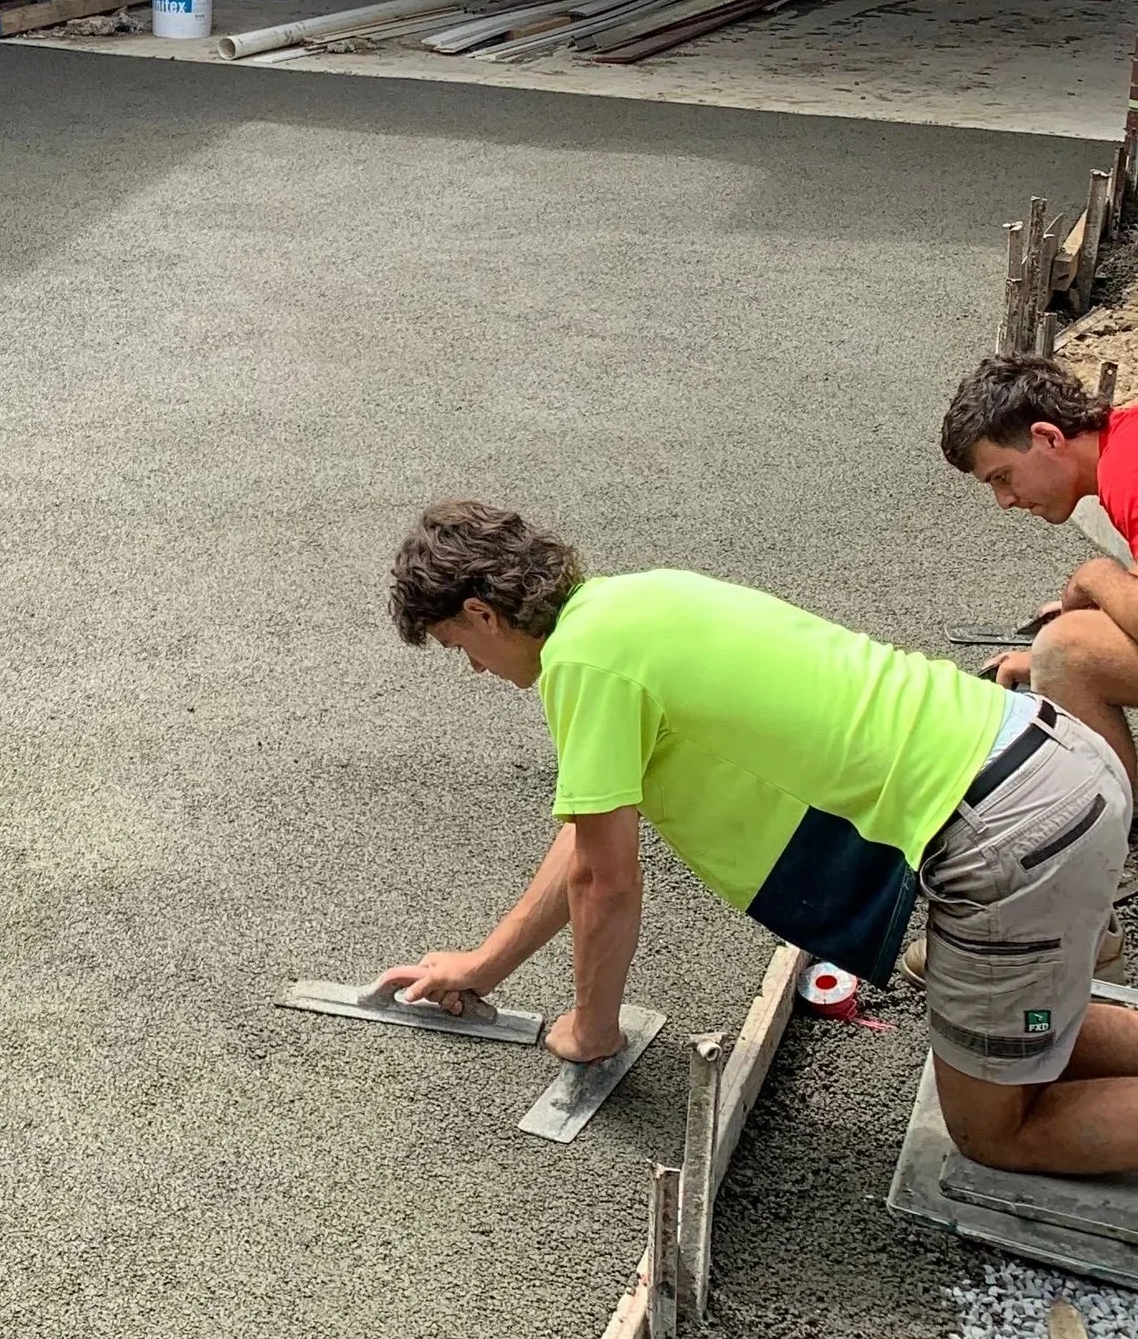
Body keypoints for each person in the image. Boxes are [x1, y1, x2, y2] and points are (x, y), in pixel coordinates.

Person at [379, 502, 1138, 1180]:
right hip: (1051, 757)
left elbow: (605, 884)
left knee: (994, 1133)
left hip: (1009, 830)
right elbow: (588, 838)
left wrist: (592, 1028)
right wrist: (485, 964)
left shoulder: (582, 663)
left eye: (459, 646)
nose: (475, 669)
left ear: (482, 613)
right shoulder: (631, 602)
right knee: (1004, 1013)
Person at [941, 352, 1138, 792]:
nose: (1005, 500)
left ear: (1048, 438)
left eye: (1003, 477)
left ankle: (1117, 827)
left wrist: (1094, 578)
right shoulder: (1127, 439)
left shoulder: (1128, 472)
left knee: (1068, 651)